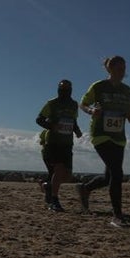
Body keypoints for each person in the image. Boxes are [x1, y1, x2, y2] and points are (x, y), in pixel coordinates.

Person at [76, 56, 130, 227]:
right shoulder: (98, 86)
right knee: (117, 173)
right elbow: (83, 104)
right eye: (119, 68)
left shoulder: (128, 91)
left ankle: (85, 188)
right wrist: (91, 110)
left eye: (124, 68)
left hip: (119, 137)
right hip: (100, 134)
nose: (122, 71)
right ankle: (117, 216)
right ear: (110, 69)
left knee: (108, 176)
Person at [36, 79, 83, 212]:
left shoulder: (74, 105)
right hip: (53, 142)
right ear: (58, 90)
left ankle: (47, 187)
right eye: (62, 89)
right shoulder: (52, 103)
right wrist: (52, 126)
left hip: (67, 143)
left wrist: (77, 130)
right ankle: (54, 201)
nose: (64, 91)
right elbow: (39, 119)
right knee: (58, 170)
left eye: (67, 89)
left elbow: (73, 120)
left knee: (67, 175)